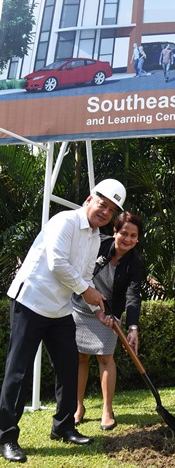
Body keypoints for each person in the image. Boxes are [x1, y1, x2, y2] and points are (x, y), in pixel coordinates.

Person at [0, 179, 126, 464]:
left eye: (111, 209)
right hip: (30, 301)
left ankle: (64, 426)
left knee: (69, 367)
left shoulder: (95, 238)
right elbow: (57, 263)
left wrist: (96, 310)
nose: (105, 212)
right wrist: (86, 290)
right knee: (18, 372)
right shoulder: (65, 221)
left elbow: (82, 278)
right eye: (102, 204)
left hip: (59, 310)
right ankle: (7, 437)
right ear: (88, 200)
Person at [73, 211, 145, 431]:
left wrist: (133, 327)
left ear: (138, 238)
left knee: (106, 358)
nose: (128, 239)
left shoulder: (135, 264)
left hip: (108, 314)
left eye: (133, 236)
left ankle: (107, 410)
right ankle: (77, 407)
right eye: (124, 233)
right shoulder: (99, 244)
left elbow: (133, 296)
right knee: (80, 357)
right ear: (115, 232)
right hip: (81, 306)